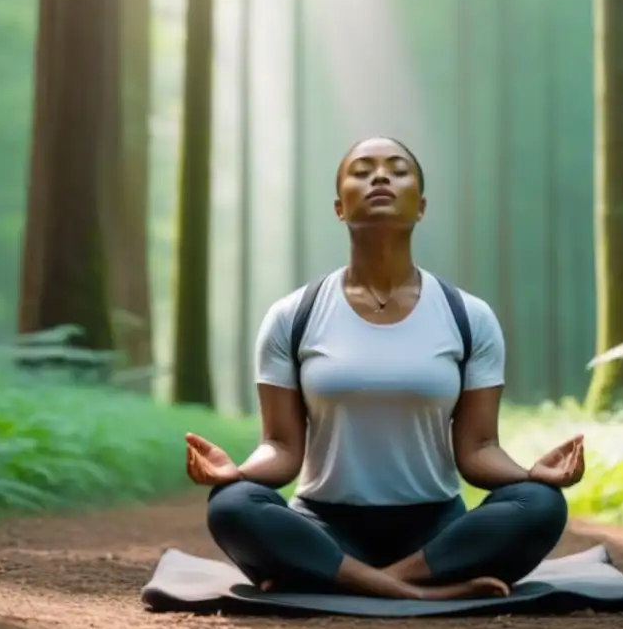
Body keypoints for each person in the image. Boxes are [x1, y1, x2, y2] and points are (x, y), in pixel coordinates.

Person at [184, 136, 586, 601]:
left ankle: (344, 581)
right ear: (339, 207)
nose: (379, 177)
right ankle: (420, 592)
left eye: (397, 170)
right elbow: (280, 447)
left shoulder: (468, 316)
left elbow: (478, 449)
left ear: (421, 206)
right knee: (232, 505)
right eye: (362, 170)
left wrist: (530, 475)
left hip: (435, 535)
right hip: (323, 528)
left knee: (540, 505)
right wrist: (235, 474)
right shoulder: (292, 315)